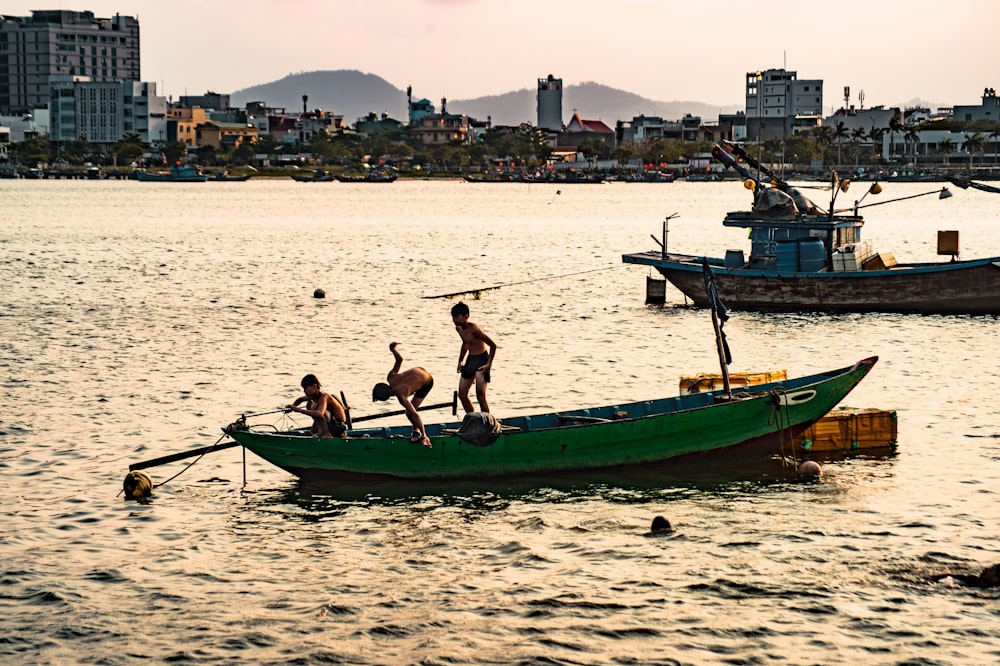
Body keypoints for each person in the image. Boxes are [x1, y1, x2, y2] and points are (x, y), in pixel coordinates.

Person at [372, 342, 434, 447]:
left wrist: (425, 436)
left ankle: (418, 432)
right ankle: (416, 430)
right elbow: (399, 359)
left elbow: (415, 414)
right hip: (420, 370)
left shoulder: (401, 396)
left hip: (427, 382)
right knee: (411, 410)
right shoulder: (391, 377)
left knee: (409, 413)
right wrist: (392, 349)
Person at [451, 301, 497, 413]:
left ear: (466, 316)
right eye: (453, 317)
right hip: (471, 360)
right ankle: (472, 418)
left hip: (482, 359)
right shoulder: (459, 328)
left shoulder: (474, 330)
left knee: (480, 395)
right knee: (462, 394)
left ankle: (486, 422)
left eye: (457, 317)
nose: (454, 320)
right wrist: (460, 361)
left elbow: (493, 345)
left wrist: (489, 365)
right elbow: (465, 344)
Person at [286, 374, 348, 438]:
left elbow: (320, 414)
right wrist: (291, 408)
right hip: (331, 423)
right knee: (310, 404)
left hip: (338, 426)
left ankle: (327, 434)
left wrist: (298, 410)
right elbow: (300, 399)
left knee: (315, 407)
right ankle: (320, 431)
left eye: (306, 388)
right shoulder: (313, 396)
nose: (304, 391)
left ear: (314, 386)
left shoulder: (323, 397)